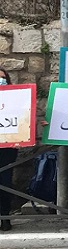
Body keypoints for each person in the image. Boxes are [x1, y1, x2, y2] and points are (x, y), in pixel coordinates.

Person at [0, 67, 18, 231]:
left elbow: (23, 119)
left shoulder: (17, 98)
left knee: (5, 182)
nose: (1, 81)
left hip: (7, 148)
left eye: (3, 78)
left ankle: (5, 217)